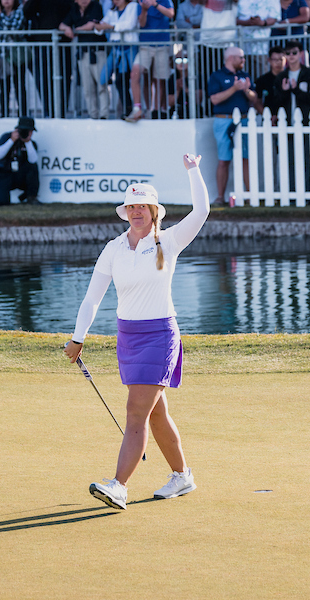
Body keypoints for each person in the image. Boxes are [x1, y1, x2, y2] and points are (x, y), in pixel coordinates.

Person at [67, 155, 209, 511]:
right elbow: (92, 298)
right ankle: (182, 475)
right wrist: (78, 337)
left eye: (143, 206)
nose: (136, 212)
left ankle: (119, 485)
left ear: (155, 211)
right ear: (125, 212)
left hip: (160, 336)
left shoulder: (169, 241)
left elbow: (202, 211)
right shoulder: (113, 249)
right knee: (155, 413)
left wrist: (193, 169)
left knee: (135, 412)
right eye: (131, 207)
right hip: (127, 337)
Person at [209, 46, 261, 204]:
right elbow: (214, 99)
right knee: (224, 160)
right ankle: (220, 197)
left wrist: (246, 90)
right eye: (241, 58)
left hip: (243, 120)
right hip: (223, 120)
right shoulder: (217, 76)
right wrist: (234, 88)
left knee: (246, 157)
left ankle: (249, 195)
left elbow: (254, 97)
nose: (243, 60)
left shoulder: (244, 76)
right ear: (231, 58)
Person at [0, 117, 40, 205]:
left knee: (33, 167)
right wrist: (12, 140)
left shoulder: (31, 144)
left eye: (30, 131)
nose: (27, 133)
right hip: (2, 175)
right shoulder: (6, 137)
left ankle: (31, 196)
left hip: (18, 175)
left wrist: (27, 142)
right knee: (2, 203)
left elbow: (33, 160)